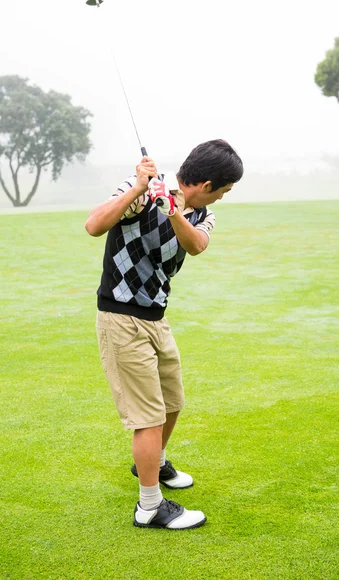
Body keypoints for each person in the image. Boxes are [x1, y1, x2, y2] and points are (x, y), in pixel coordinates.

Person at [85, 139, 243, 530]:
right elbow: (94, 225)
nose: (224, 197)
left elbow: (197, 244)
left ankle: (152, 465)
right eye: (224, 189)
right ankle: (150, 506)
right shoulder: (139, 189)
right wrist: (140, 189)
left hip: (156, 317)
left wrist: (173, 211)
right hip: (121, 316)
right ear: (207, 182)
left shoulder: (202, 212)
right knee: (148, 417)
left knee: (172, 402)